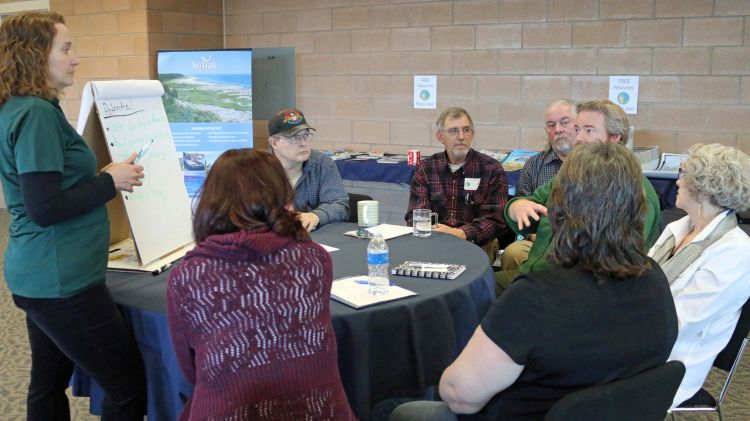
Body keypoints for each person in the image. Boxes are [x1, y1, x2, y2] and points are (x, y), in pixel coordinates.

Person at [391, 142, 678, 421]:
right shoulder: (655, 281)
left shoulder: (538, 295)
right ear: (638, 207)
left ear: (561, 205)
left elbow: (458, 395)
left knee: (399, 408)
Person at [0, 11, 147, 420]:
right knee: (128, 388)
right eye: (65, 49)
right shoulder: (35, 114)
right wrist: (108, 182)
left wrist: (102, 177)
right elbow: (44, 207)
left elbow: (48, 190)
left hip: (44, 274)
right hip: (61, 280)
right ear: (34, 55)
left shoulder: (22, 108)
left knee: (47, 385)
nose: (75, 59)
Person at [167, 148, 356, 421]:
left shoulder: (189, 275)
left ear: (211, 199)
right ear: (282, 194)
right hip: (318, 411)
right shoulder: (314, 259)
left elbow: (191, 369)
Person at [495, 99, 661, 292]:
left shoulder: (637, 192)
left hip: (570, 292)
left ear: (615, 138)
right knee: (480, 285)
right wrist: (516, 207)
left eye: (589, 130)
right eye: (577, 129)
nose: (579, 138)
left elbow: (620, 268)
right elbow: (526, 216)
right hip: (535, 275)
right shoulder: (571, 174)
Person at [648, 143, 750, 407]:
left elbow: (682, 324)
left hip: (670, 366)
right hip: (643, 338)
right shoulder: (678, 227)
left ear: (704, 189)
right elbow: (639, 282)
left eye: (684, 173)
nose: (678, 180)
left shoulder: (736, 251)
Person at [405, 107, 508, 263]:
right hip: (433, 242)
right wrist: (437, 235)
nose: (461, 136)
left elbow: (496, 220)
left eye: (466, 130)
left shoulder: (491, 168)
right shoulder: (426, 168)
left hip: (475, 244)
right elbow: (415, 215)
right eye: (453, 131)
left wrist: (460, 233)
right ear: (440, 137)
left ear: (472, 134)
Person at [500, 99, 577, 271]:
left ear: (578, 126)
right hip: (538, 241)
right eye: (551, 125)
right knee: (513, 253)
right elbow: (521, 212)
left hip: (581, 245)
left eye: (565, 122)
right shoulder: (534, 165)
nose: (558, 130)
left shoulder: (592, 165)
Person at [267, 107, 349, 231]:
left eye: (305, 136)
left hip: (313, 238)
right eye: (294, 138)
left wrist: (316, 216)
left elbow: (340, 205)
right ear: (274, 143)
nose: (303, 143)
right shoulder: (256, 168)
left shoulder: (322, 163)